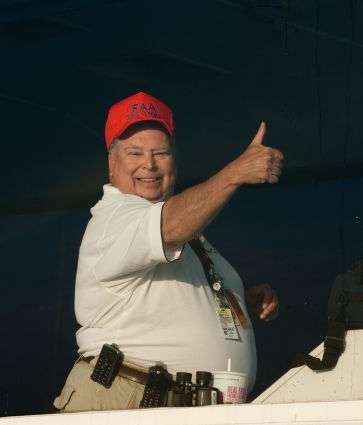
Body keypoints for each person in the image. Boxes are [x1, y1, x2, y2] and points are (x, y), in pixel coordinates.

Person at [53, 92, 283, 412]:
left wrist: (241, 297)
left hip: (181, 404)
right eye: (135, 152)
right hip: (126, 400)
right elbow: (171, 227)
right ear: (112, 162)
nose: (149, 164)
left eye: (160, 152)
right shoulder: (116, 217)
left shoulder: (184, 233)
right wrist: (235, 173)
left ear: (174, 160)